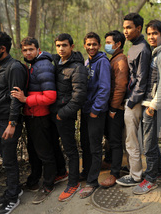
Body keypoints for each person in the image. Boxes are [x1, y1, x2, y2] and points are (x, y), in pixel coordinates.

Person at [10, 37, 67, 204]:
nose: (28, 52)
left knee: (44, 152)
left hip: (39, 115)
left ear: (38, 49)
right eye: (25, 50)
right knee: (40, 149)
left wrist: (25, 99)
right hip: (34, 114)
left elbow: (50, 96)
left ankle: (48, 185)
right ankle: (55, 173)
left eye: (31, 49)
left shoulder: (42, 65)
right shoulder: (35, 64)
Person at [0, 30, 27, 214]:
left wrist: (12, 124)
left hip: (7, 122)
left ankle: (12, 198)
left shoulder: (14, 67)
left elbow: (15, 98)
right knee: (6, 160)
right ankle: (14, 188)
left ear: (2, 48)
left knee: (9, 161)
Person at [132, 20, 161, 194]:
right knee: (151, 142)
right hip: (150, 102)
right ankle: (159, 172)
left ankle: (150, 178)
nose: (151, 37)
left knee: (148, 144)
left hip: (153, 104)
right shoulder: (158, 52)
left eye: (155, 33)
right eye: (149, 34)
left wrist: (153, 105)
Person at [50, 33, 88, 202]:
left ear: (72, 47)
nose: (61, 49)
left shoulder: (78, 67)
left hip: (64, 115)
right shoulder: (56, 62)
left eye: (64, 45)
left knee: (71, 150)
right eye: (58, 45)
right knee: (54, 145)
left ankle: (73, 183)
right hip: (53, 113)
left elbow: (79, 97)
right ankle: (62, 173)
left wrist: (62, 113)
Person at [116, 13, 151, 186]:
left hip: (135, 101)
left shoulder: (143, 49)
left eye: (129, 28)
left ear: (138, 28)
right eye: (124, 28)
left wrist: (131, 102)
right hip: (130, 99)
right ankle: (134, 171)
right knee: (131, 140)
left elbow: (141, 80)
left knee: (132, 140)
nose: (126, 31)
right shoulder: (133, 47)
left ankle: (136, 176)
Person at [79, 32, 111, 198]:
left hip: (95, 112)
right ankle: (86, 172)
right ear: (84, 45)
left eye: (94, 44)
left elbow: (104, 88)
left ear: (99, 45)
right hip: (85, 110)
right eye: (88, 44)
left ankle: (92, 181)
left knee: (95, 146)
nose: (91, 47)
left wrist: (95, 110)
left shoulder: (102, 62)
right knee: (85, 144)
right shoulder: (87, 62)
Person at [100, 30, 128, 188]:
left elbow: (120, 87)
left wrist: (113, 108)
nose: (107, 45)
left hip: (116, 108)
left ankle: (114, 174)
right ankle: (109, 162)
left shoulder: (120, 61)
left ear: (118, 44)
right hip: (111, 106)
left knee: (116, 140)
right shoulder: (113, 59)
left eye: (109, 43)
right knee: (110, 138)